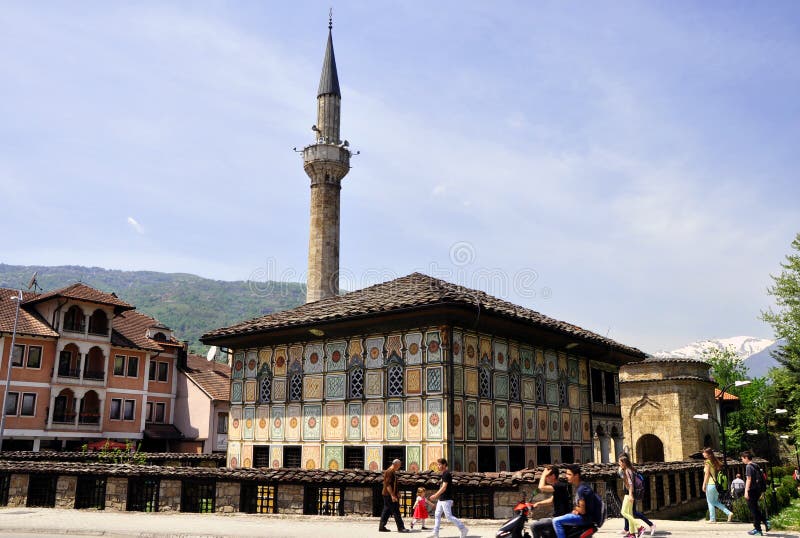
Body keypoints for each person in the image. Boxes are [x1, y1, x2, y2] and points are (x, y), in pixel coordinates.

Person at [550, 464, 599, 538]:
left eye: (569, 474)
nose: (566, 476)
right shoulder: (582, 486)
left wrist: (575, 508)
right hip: (586, 517)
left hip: (584, 519)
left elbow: (583, 511)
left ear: (576, 476)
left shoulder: (581, 489)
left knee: (556, 521)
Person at [427, 458, 468, 538]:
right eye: (438, 464)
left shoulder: (446, 474)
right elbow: (442, 487)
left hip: (446, 498)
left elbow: (444, 487)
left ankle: (463, 529)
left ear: (444, 465)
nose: (438, 466)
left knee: (449, 516)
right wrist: (438, 496)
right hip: (442, 498)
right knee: (437, 514)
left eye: (439, 464)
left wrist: (435, 495)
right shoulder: (444, 474)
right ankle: (435, 532)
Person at [617, 453, 655, 537]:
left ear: (624, 462)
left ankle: (640, 527)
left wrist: (630, 495)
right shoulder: (630, 469)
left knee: (624, 512)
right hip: (630, 494)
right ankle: (632, 533)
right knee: (630, 513)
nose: (619, 464)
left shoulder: (627, 470)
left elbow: (630, 484)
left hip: (629, 494)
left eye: (619, 462)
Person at [530, 465, 571, 538]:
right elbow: (552, 500)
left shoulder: (559, 485)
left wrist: (543, 474)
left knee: (534, 526)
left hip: (560, 518)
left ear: (553, 476)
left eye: (547, 475)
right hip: (558, 517)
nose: (546, 478)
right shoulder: (559, 486)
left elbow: (541, 487)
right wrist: (538, 503)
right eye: (546, 476)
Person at [741, 450, 769, 536]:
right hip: (757, 490)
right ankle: (765, 521)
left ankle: (758, 529)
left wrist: (746, 491)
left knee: (753, 510)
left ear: (746, 458)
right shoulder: (756, 465)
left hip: (752, 490)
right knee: (755, 508)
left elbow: (748, 479)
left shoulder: (748, 466)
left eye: (742, 458)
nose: (742, 460)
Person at [702, 447, 733, 523]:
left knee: (710, 502)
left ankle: (712, 519)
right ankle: (729, 513)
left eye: (704, 452)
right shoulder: (714, 461)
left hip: (710, 484)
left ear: (708, 454)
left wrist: (704, 484)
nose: (703, 454)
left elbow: (707, 475)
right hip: (716, 485)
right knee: (715, 502)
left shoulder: (707, 462)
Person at [379, 458, 409, 533]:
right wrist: (392, 495)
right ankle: (401, 527)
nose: (399, 467)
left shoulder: (392, 471)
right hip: (389, 494)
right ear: (396, 464)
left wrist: (397, 492)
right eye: (399, 465)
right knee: (396, 510)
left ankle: (382, 527)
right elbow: (388, 485)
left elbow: (394, 484)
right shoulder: (389, 471)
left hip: (387, 494)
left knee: (386, 510)